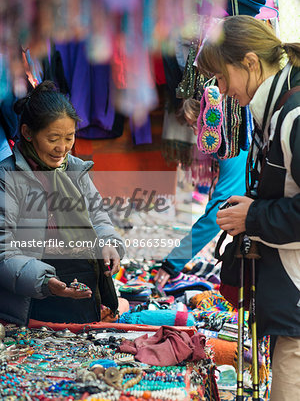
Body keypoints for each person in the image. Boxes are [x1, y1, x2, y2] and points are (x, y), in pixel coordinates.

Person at [197, 15, 300, 401]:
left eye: (222, 78)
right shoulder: (276, 112)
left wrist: (252, 216)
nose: (221, 90)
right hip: (287, 297)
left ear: (251, 63)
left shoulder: (293, 116)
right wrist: (253, 207)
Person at [0, 80, 126, 325]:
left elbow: (98, 218)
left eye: (69, 138)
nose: (62, 148)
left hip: (83, 291)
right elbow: (3, 252)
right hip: (34, 300)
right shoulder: (8, 178)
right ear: (27, 133)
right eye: (53, 138)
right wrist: (45, 282)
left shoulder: (75, 170)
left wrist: (110, 244)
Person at [154, 97, 248, 287]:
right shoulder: (231, 140)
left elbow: (219, 213)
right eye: (191, 128)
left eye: (196, 126)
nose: (196, 133)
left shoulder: (233, 149)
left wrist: (172, 263)